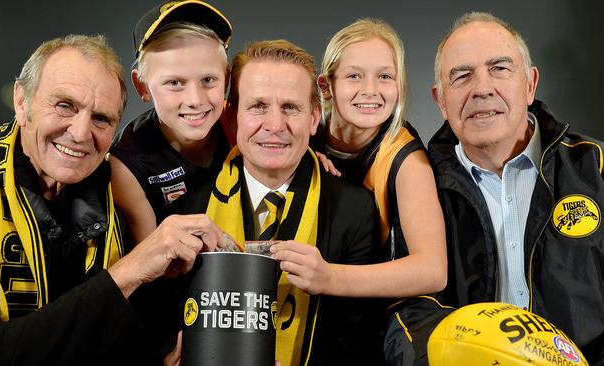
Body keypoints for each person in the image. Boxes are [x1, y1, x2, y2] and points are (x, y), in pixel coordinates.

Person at [0, 34, 226, 365]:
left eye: (101, 118)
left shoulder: (117, 190)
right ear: (22, 102)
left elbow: (131, 331)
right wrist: (130, 269)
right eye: (65, 105)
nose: (81, 133)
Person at [183, 39, 385, 365]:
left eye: (290, 107)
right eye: (258, 106)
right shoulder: (190, 208)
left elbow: (359, 342)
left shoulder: (355, 210)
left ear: (314, 117)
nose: (275, 126)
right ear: (232, 117)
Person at [428, 12, 604, 363]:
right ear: (441, 100)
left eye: (500, 69)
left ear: (530, 84)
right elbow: (408, 311)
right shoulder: (418, 187)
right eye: (462, 75)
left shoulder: (596, 169)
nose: (481, 88)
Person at [274, 18, 446, 299]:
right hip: (298, 298)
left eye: (385, 77)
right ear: (326, 86)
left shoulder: (407, 159)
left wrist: (330, 277)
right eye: (354, 76)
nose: (370, 90)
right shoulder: (303, 135)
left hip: (373, 311)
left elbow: (433, 270)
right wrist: (301, 154)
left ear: (399, 85)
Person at [110, 0, 233, 245]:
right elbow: (150, 264)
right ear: (141, 86)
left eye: (208, 79)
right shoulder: (128, 163)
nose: (195, 100)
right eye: (175, 83)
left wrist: (311, 156)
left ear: (227, 79)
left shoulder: (243, 124)